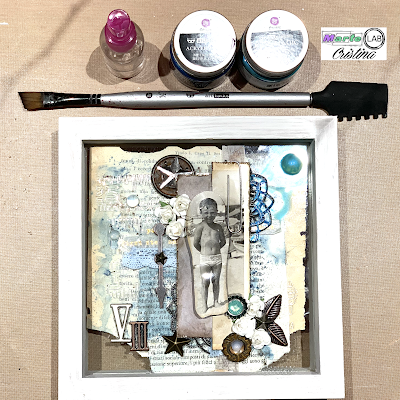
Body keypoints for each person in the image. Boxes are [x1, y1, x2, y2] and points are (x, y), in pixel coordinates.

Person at [193, 198, 226, 313]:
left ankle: (216, 301)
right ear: (201, 212)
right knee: (205, 282)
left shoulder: (218, 227)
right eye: (206, 213)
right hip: (205, 259)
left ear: (216, 212)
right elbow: (195, 243)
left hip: (217, 259)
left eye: (212, 213)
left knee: (216, 281)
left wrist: (215, 249)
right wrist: (204, 251)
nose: (209, 215)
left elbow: (223, 242)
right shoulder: (200, 227)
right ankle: (204, 304)